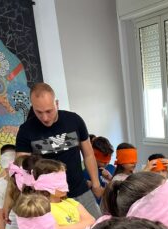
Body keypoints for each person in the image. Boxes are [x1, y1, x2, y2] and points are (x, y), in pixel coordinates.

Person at [14, 82, 102, 218]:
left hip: (80, 191)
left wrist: (96, 183)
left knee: (98, 226)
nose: (45, 118)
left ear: (57, 104)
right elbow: (21, 168)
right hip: (48, 199)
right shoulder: (26, 130)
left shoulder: (74, 120)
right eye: (39, 112)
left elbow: (88, 154)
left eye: (49, 111)